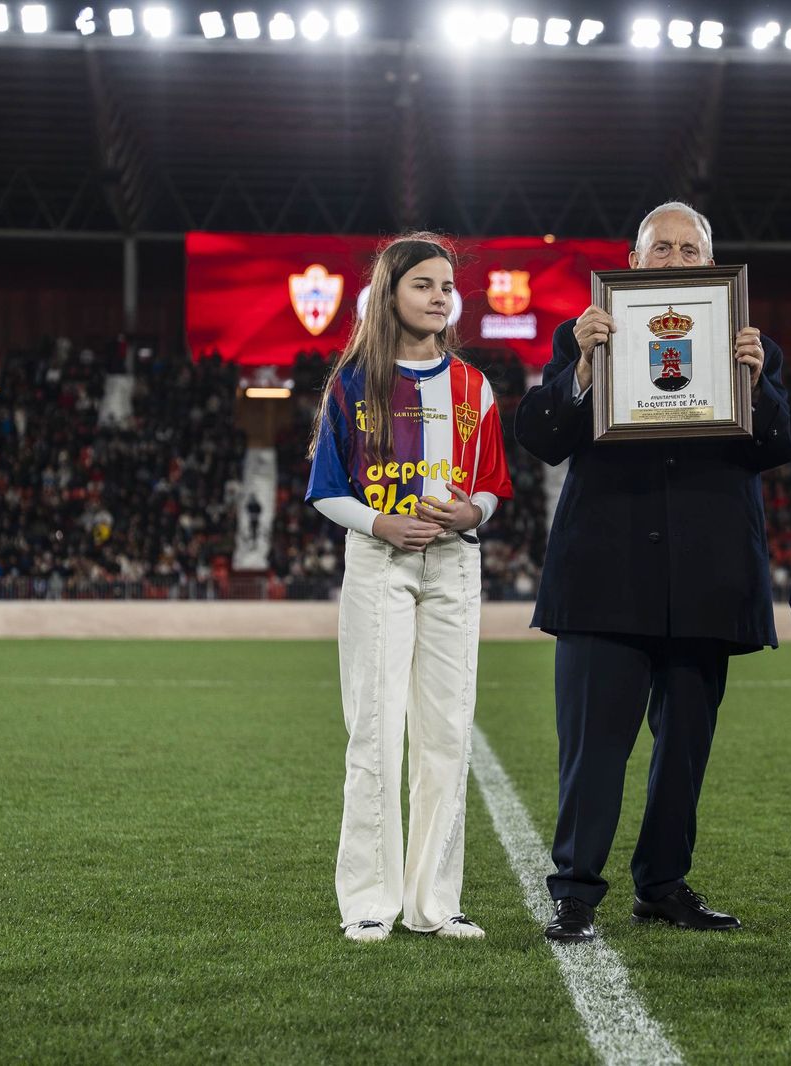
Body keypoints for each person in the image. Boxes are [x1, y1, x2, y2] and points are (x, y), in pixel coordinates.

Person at [515, 201, 791, 943]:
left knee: (684, 752)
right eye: (663, 248)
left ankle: (662, 885)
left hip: (707, 582)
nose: (677, 260)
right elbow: (543, 437)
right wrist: (580, 371)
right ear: (634, 260)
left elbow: (783, 443)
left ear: (711, 265)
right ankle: (576, 892)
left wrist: (758, 380)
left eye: (690, 249)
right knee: (593, 751)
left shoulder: (751, 343)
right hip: (605, 578)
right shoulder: (582, 332)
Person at [306, 234, 513, 942]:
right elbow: (327, 489)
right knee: (374, 731)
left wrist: (469, 513)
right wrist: (380, 525)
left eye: (447, 287)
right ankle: (368, 900)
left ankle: (434, 903)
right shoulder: (352, 383)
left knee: (446, 735)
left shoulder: (473, 387)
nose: (439, 297)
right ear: (390, 292)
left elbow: (491, 486)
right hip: (378, 563)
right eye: (424, 284)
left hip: (455, 565)